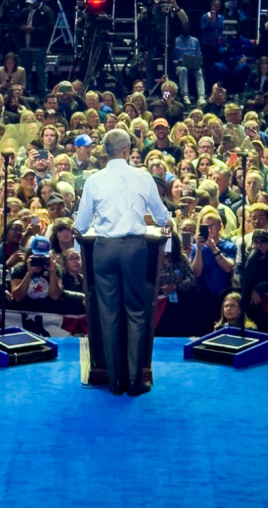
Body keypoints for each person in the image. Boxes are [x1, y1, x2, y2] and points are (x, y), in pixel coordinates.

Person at [75, 129, 170, 396]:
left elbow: (81, 224)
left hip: (103, 249)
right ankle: (135, 381)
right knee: (136, 313)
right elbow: (162, 218)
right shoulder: (142, 177)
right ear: (127, 150)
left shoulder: (94, 180)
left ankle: (115, 382)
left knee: (108, 314)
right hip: (133, 249)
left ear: (106, 151)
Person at [15, 0, 54, 96]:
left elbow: (49, 27)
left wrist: (34, 30)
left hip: (39, 47)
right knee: (25, 71)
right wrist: (22, 28)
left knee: (40, 70)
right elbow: (17, 24)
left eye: (33, 3)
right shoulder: (25, 11)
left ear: (38, 1)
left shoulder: (47, 11)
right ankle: (26, 91)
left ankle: (42, 91)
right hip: (25, 46)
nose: (31, 5)